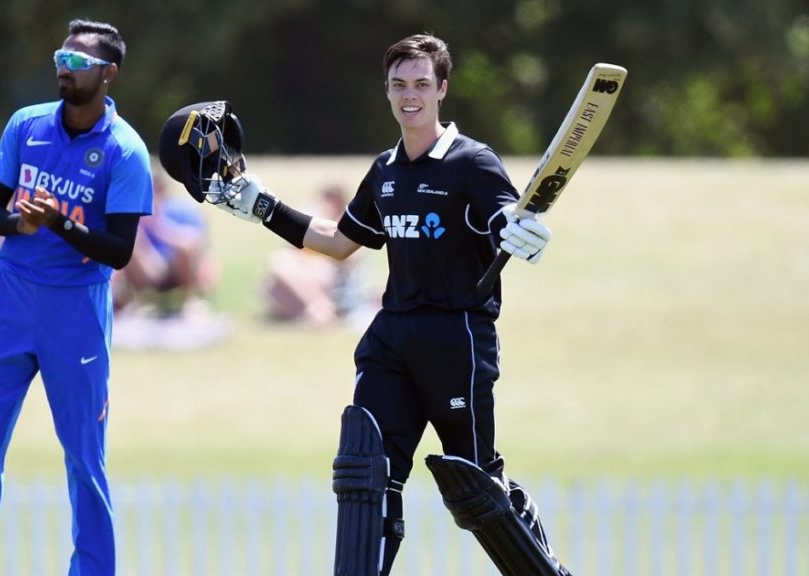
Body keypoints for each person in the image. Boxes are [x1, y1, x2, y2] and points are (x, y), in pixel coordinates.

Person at [158, 35, 570, 576]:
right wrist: (262, 206)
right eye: (399, 85)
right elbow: (339, 242)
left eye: (421, 84)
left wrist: (519, 232)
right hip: (392, 337)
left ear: (442, 89)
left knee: (476, 488)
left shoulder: (473, 162)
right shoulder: (386, 171)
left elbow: (503, 217)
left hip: (457, 339)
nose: (410, 95)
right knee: (366, 473)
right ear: (387, 91)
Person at [0, 19, 153, 576]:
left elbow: (119, 251)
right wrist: (20, 224)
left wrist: (58, 221)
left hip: (76, 313)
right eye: (62, 58)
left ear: (108, 74)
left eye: (79, 62)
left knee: (85, 459)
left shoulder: (125, 150)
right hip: (10, 301)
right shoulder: (27, 124)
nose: (66, 68)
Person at [260, 183, 378, 328]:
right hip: (312, 274)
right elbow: (293, 249)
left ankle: (319, 309)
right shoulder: (319, 223)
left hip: (339, 284)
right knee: (276, 277)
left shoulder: (350, 225)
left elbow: (348, 259)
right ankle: (313, 310)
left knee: (284, 265)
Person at [112, 168, 217, 317]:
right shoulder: (136, 215)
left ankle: (188, 301)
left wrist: (160, 229)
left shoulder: (181, 210)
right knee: (128, 240)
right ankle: (128, 301)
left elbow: (196, 244)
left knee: (184, 246)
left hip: (177, 269)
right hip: (149, 270)